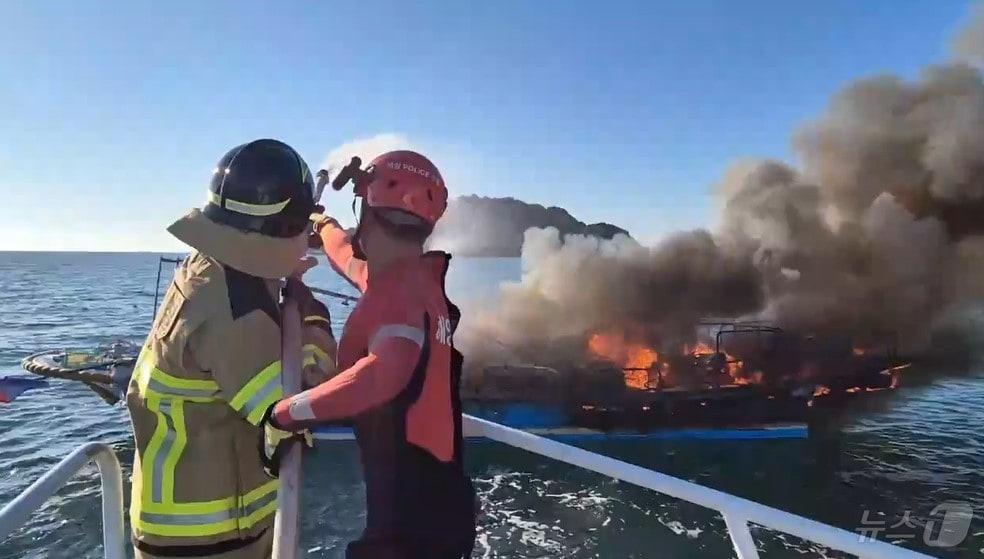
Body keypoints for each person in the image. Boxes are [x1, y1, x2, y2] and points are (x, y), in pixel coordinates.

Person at [126, 139, 335, 559]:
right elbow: (304, 401)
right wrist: (313, 317)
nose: (309, 237)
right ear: (282, 228)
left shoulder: (210, 268)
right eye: (304, 224)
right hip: (208, 538)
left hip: (181, 528)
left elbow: (250, 270)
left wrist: (277, 271)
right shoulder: (238, 312)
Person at [262, 150, 477, 559]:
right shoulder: (407, 277)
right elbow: (346, 256)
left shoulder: (398, 298)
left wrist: (281, 415)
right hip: (443, 508)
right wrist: (322, 224)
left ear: (366, 206)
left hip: (411, 535)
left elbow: (384, 373)